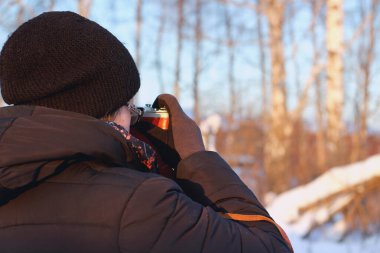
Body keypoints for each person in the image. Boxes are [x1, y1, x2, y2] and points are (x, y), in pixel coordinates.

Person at [0, 11, 293, 253]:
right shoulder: (141, 205)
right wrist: (197, 158)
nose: (137, 115)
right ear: (106, 108)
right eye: (130, 105)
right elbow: (272, 247)